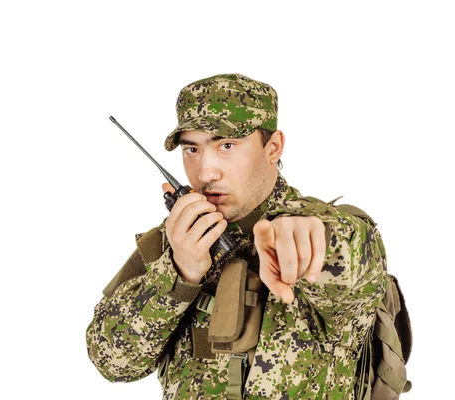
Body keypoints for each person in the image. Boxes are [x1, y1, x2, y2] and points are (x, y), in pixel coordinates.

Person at [86, 73, 387, 399]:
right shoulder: (173, 241)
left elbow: (349, 258)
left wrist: (315, 242)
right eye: (192, 149)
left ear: (273, 147)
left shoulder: (335, 229)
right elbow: (112, 362)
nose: (205, 172)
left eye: (226, 146)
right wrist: (179, 272)